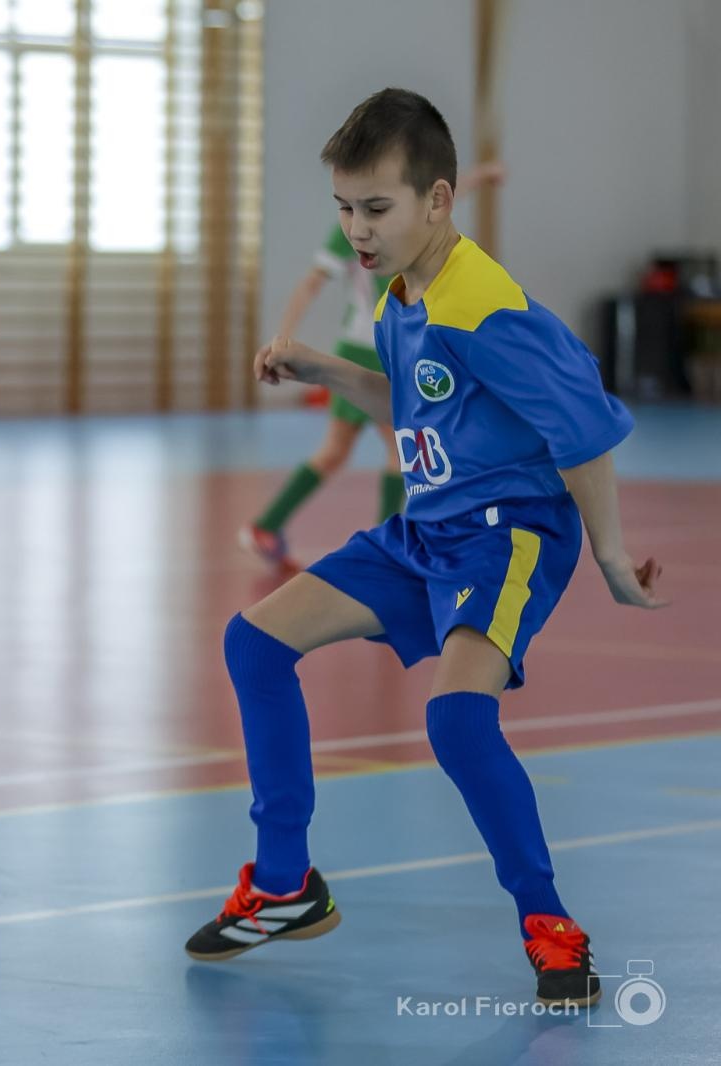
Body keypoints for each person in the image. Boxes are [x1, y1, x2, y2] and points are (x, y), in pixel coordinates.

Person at [184, 88, 664, 1009]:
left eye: (376, 209)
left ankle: (549, 922)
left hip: (507, 540)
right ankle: (284, 883)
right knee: (255, 641)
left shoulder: (482, 303)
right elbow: (414, 410)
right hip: (424, 531)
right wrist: (325, 369)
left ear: (437, 201)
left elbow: (587, 431)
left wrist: (608, 560)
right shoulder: (405, 290)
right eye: (344, 209)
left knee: (456, 721)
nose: (356, 230)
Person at [242, 163, 507, 572]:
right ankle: (386, 549)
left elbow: (438, 199)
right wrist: (283, 341)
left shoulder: (397, 220)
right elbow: (311, 283)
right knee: (399, 453)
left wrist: (480, 177)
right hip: (373, 351)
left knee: (336, 451)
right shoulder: (355, 230)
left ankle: (266, 526)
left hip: (367, 348)